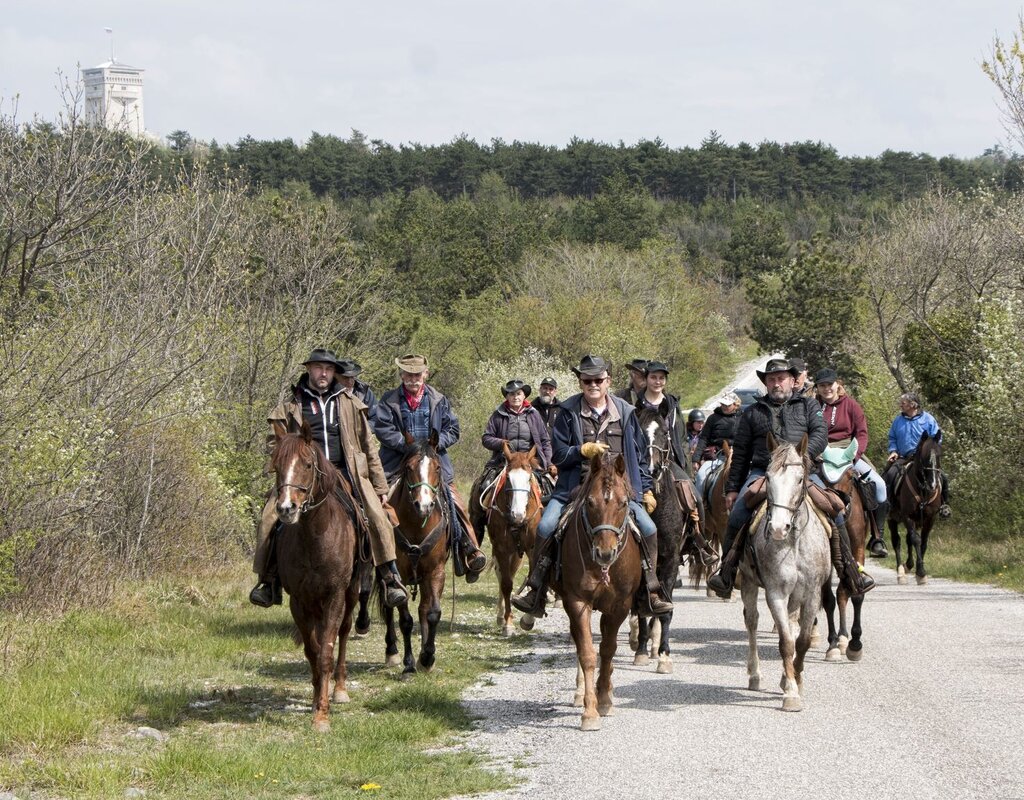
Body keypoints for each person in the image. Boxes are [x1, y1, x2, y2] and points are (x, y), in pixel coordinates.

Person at [511, 355, 674, 618]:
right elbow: (557, 455)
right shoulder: (567, 411)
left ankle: (649, 592)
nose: (593, 384)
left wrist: (644, 489)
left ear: (608, 381)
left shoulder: (626, 412)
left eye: (598, 379)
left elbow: (639, 456)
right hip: (575, 489)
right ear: (580, 382)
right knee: (545, 526)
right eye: (587, 380)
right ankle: (536, 589)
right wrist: (580, 450)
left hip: (620, 491)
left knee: (649, 527)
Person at [250, 348, 408, 609]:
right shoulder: (291, 406)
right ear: (308, 370)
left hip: (346, 473)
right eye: (317, 368)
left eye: (328, 369)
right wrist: (285, 451)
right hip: (302, 477)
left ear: (334, 372)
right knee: (269, 517)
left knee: (378, 516)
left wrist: (379, 487)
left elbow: (369, 448)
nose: (323, 373)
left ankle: (390, 577)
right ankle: (267, 581)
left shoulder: (349, 403)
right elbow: (272, 444)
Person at [706, 358, 875, 599]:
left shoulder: (808, 406)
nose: (777, 383)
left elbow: (820, 434)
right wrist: (733, 488)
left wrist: (801, 458)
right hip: (763, 472)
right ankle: (727, 570)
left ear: (792, 380)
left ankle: (849, 569)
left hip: (801, 471)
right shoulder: (752, 412)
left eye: (781, 378)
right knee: (738, 514)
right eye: (772, 379)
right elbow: (741, 452)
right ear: (766, 382)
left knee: (835, 509)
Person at [372, 353, 487, 582]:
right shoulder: (389, 400)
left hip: (434, 461)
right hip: (398, 461)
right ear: (401, 374)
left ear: (425, 374)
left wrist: (434, 446)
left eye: (417, 374)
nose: (413, 378)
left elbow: (452, 430)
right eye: (408, 374)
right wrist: (406, 446)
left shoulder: (439, 399)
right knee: (374, 505)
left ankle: (470, 550)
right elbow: (382, 429)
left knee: (456, 502)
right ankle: (367, 557)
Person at [639, 361, 715, 563]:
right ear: (646, 379)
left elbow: (681, 439)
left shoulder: (672, 405)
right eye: (653, 377)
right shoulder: (636, 404)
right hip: (640, 460)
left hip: (669, 460)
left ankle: (699, 542)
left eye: (661, 378)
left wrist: (687, 471)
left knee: (695, 497)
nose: (657, 381)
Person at [814, 368, 889, 557]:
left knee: (879, 487)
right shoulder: (812, 406)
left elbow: (862, 433)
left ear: (837, 384)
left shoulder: (852, 406)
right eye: (822, 386)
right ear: (817, 388)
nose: (826, 389)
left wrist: (854, 455)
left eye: (829, 385)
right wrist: (814, 452)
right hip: (820, 455)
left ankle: (877, 537)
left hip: (849, 453)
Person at [469, 379, 554, 544]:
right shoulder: (498, 414)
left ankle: (549, 540)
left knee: (552, 490)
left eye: (519, 393)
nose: (515, 397)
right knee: (483, 486)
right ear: (507, 396)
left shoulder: (533, 413)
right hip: (503, 461)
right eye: (511, 394)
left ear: (524, 395)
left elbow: (545, 441)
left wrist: (549, 463)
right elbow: (486, 438)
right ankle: (475, 542)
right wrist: (500, 443)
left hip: (530, 463)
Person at [884, 392, 951, 518]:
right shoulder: (898, 421)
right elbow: (892, 437)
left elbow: (937, 439)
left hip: (924, 459)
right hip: (903, 457)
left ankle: (944, 505)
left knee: (943, 477)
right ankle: (890, 505)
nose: (900, 405)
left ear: (913, 405)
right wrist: (893, 451)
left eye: (903, 403)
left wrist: (929, 451)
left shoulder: (928, 419)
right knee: (889, 474)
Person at [692, 390, 741, 496]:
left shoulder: (743, 418)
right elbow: (704, 439)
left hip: (738, 457)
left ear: (735, 404)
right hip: (717, 457)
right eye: (723, 404)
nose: (724, 407)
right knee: (701, 477)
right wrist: (696, 459)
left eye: (727, 405)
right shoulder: (712, 418)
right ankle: (698, 508)